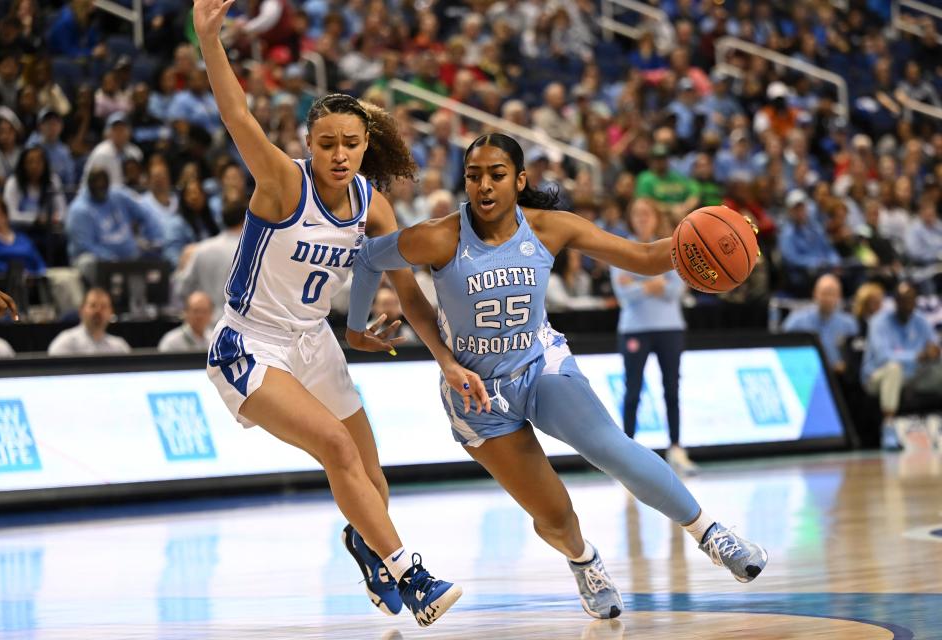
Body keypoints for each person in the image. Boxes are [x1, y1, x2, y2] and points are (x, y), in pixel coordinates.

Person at [347, 133, 768, 620]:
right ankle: (583, 560)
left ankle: (712, 534)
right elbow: (368, 257)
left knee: (610, 446)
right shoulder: (439, 236)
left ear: (520, 180)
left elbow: (647, 257)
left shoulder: (551, 228)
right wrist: (378, 338)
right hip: (478, 397)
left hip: (538, 365)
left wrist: (716, 235)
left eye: (497, 175)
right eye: (473, 175)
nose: (484, 185)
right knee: (554, 516)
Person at [193, 0, 473, 627]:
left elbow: (406, 292)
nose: (340, 154)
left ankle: (365, 544)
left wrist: (447, 361)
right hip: (250, 343)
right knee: (336, 449)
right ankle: (413, 575)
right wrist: (210, 38)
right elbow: (235, 113)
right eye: (327, 144)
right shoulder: (281, 184)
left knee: (371, 477)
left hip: (314, 340)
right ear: (308, 145)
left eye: (350, 143)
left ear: (365, 144)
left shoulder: (373, 205)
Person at [610, 198, 695, 474]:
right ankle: (626, 455)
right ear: (630, 219)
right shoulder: (622, 249)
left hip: (670, 326)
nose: (642, 218)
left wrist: (638, 281)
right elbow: (624, 295)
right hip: (635, 327)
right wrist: (655, 283)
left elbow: (675, 290)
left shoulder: (670, 248)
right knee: (632, 390)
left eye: (647, 214)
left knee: (672, 388)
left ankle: (676, 448)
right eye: (637, 214)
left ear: (656, 217)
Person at [861, 281, 941, 444]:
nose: (907, 304)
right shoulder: (879, 322)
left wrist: (934, 352)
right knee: (894, 368)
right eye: (903, 300)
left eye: (911, 300)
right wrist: (916, 356)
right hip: (877, 377)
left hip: (913, 377)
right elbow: (882, 357)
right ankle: (889, 427)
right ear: (895, 301)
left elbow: (933, 346)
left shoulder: (920, 320)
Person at [174, 200, 244, 320]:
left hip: (204, 322)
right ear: (246, 220)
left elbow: (182, 289)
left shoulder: (202, 248)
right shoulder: (248, 253)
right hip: (234, 326)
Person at [783, 274, 859, 375]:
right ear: (815, 294)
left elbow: (854, 355)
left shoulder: (849, 323)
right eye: (824, 294)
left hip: (839, 377)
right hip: (804, 373)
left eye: (832, 294)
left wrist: (845, 364)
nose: (828, 298)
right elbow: (784, 351)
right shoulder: (796, 320)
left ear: (839, 296)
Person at [47, 288, 131, 356]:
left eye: (103, 306)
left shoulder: (119, 347)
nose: (98, 311)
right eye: (93, 305)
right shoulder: (65, 342)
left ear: (111, 312)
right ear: (81, 310)